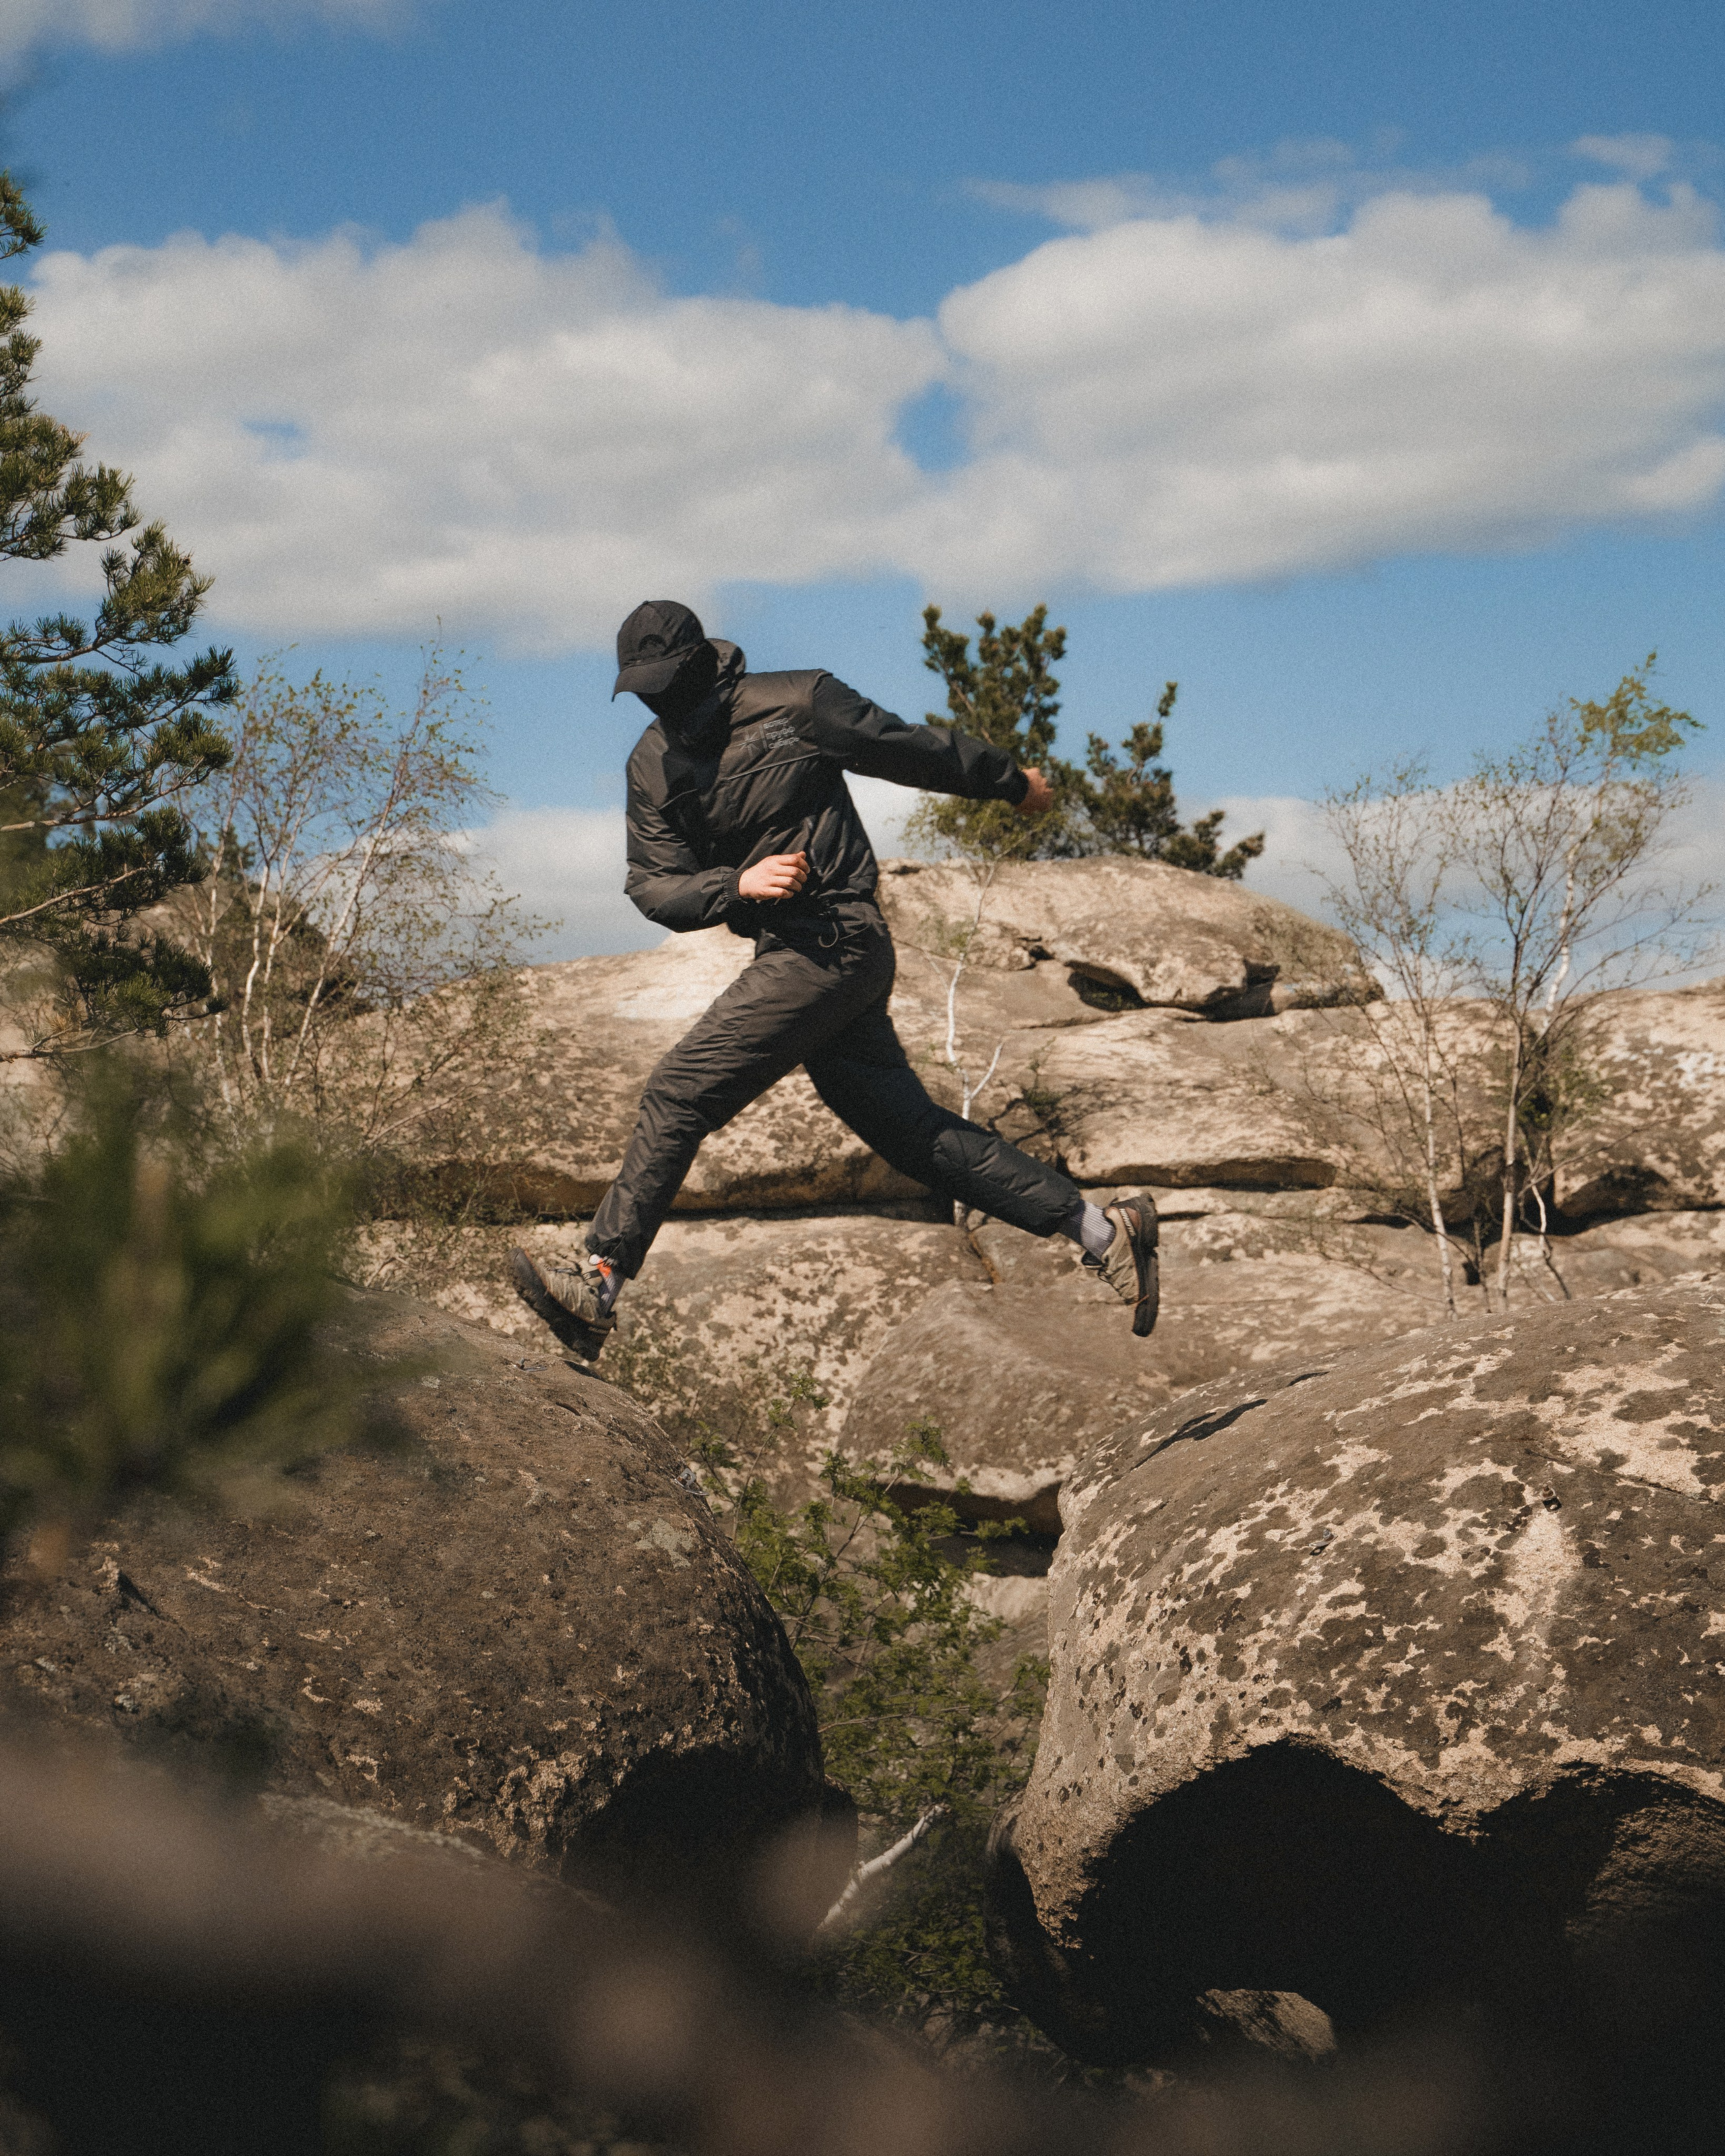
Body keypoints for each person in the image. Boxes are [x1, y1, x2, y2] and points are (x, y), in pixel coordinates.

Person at [509, 600, 1159, 1358]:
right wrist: (735, 885)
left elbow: (910, 748)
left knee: (679, 1090)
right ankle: (1104, 1232)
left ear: (695, 666)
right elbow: (652, 885)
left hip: (838, 935)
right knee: (917, 1140)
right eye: (644, 690)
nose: (661, 702)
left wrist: (1009, 781)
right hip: (791, 954)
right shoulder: (652, 764)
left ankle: (598, 1279)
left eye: (667, 684)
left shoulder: (797, 703)